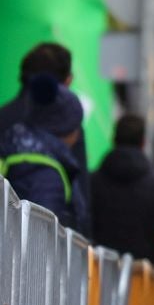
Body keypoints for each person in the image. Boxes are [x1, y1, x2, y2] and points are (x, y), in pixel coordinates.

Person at [90, 115, 154, 267]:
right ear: (143, 142)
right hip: (143, 279)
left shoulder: (91, 182)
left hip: (97, 274)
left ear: (114, 139)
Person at [0, 73, 90, 234]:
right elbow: (42, 236)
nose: (78, 135)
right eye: (76, 126)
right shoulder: (46, 174)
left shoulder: (15, 147)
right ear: (63, 127)